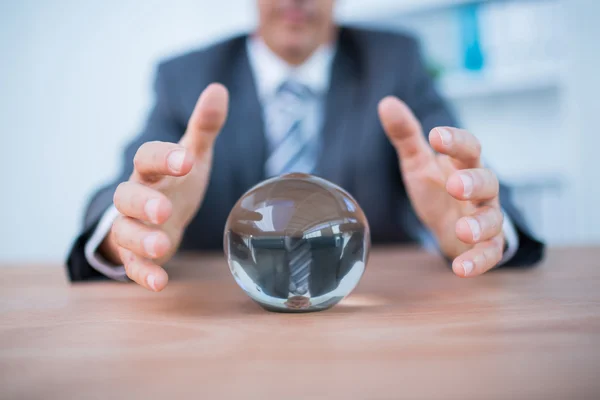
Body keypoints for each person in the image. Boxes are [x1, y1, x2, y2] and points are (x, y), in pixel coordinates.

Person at [66, 0, 544, 292]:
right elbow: (126, 188)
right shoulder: (186, 75)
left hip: (376, 327)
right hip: (220, 326)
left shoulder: (395, 61)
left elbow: (472, 180)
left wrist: (473, 224)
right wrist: (125, 231)